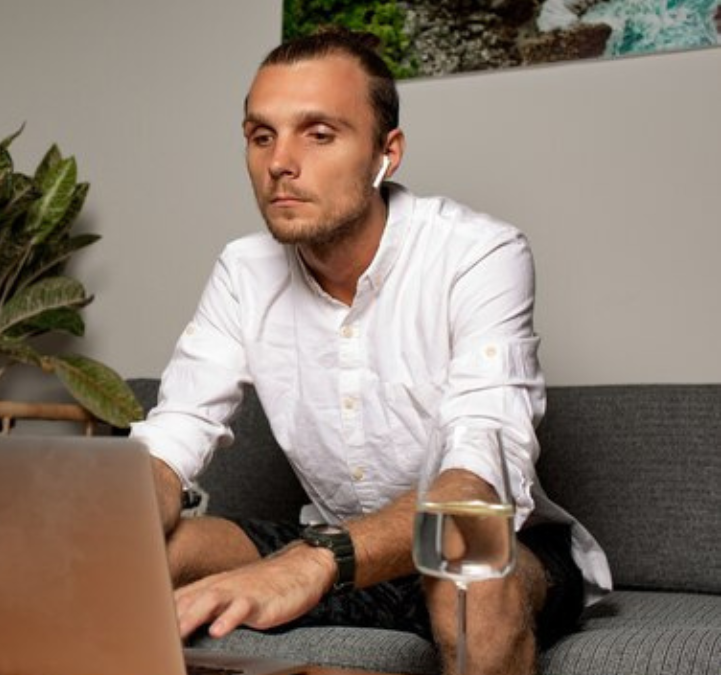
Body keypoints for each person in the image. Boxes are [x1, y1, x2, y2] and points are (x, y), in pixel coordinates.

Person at [128, 28, 611, 675]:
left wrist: (315, 563)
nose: (280, 162)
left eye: (318, 134)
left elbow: (476, 474)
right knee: (149, 548)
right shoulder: (243, 271)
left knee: (463, 559)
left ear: (388, 153)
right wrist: (114, 516)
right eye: (261, 135)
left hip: (502, 549)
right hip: (331, 538)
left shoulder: (478, 253)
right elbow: (175, 436)